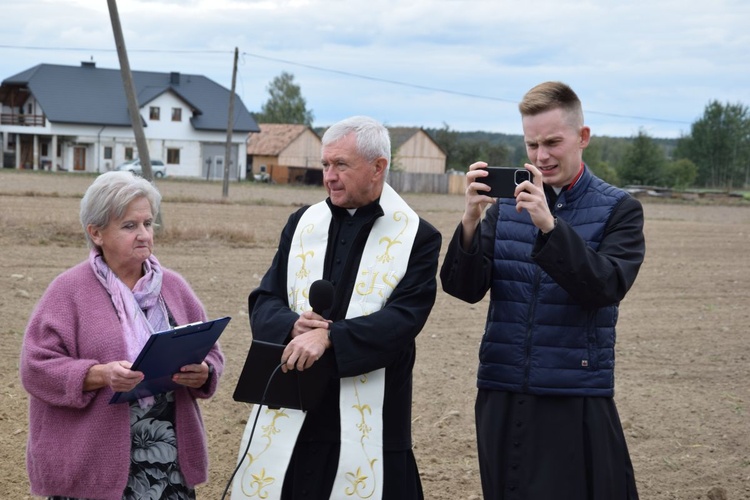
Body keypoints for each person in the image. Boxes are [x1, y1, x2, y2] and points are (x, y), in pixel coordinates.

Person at [440, 81, 645, 499]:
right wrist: (469, 221)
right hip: (501, 386)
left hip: (573, 392)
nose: (541, 156)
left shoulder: (619, 209)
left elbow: (605, 286)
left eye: (553, 142)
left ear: (582, 138)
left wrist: (549, 227)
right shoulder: (505, 210)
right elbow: (464, 289)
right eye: (532, 144)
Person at [232, 116, 441, 500]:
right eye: (326, 164)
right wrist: (292, 325)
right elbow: (265, 299)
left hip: (371, 418)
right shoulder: (302, 224)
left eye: (341, 165)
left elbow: (404, 319)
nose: (329, 176)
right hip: (296, 410)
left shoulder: (418, 237)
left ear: (378, 167)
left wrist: (331, 338)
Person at [20, 171, 225, 500]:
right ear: (96, 233)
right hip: (92, 469)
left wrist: (204, 372)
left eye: (148, 223)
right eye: (130, 226)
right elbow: (35, 367)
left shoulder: (173, 287)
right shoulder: (68, 291)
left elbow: (210, 351)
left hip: (166, 465)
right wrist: (98, 374)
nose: (144, 234)